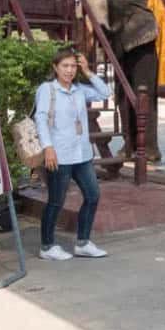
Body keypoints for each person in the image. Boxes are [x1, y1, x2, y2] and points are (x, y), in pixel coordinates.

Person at [35, 46, 112, 260]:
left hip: (82, 153)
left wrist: (87, 71)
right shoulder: (47, 89)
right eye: (65, 66)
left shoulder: (79, 89)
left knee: (93, 195)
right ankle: (47, 246)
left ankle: (83, 242)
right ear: (55, 67)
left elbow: (106, 92)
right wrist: (48, 147)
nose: (69, 70)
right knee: (56, 201)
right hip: (59, 154)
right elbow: (40, 119)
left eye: (73, 66)